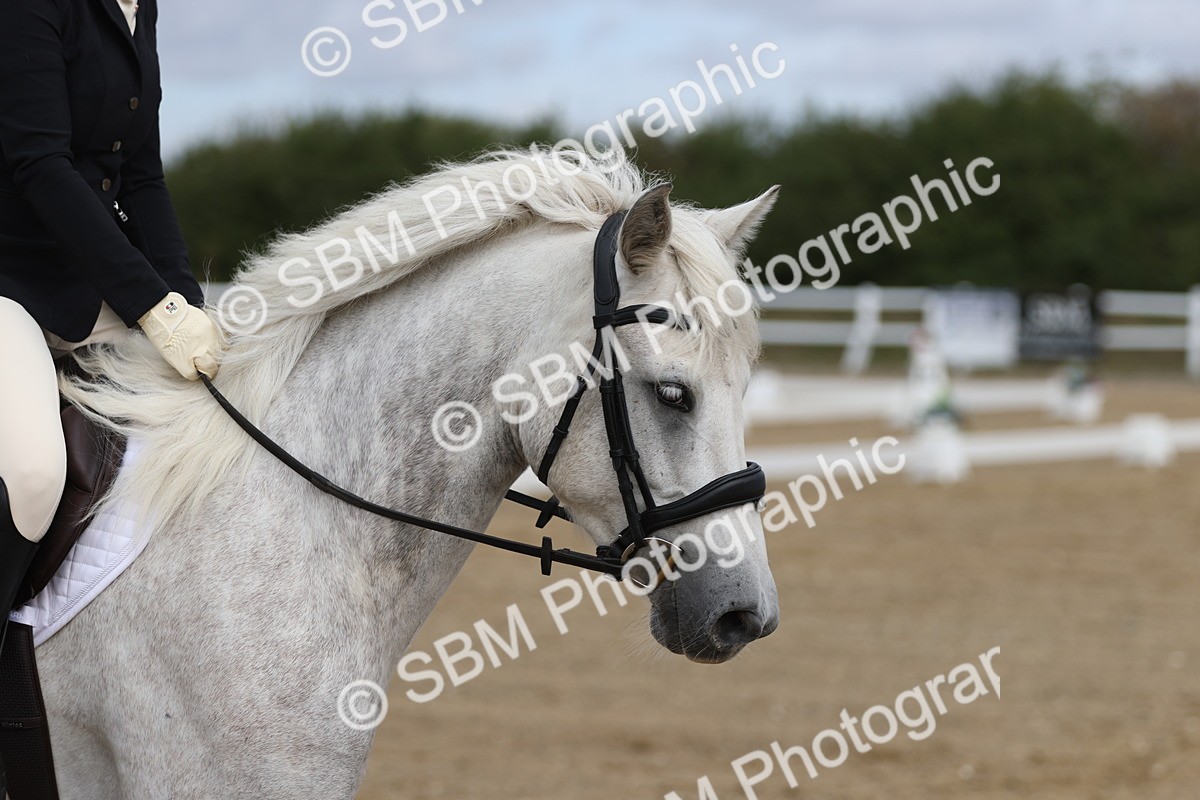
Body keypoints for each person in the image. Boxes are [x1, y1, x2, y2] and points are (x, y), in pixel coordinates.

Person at [0, 0, 222, 708]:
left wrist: (184, 305)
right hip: (8, 284)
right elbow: (40, 164)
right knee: (34, 473)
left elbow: (143, 176)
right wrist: (150, 304)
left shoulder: (139, 8)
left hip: (86, 285)